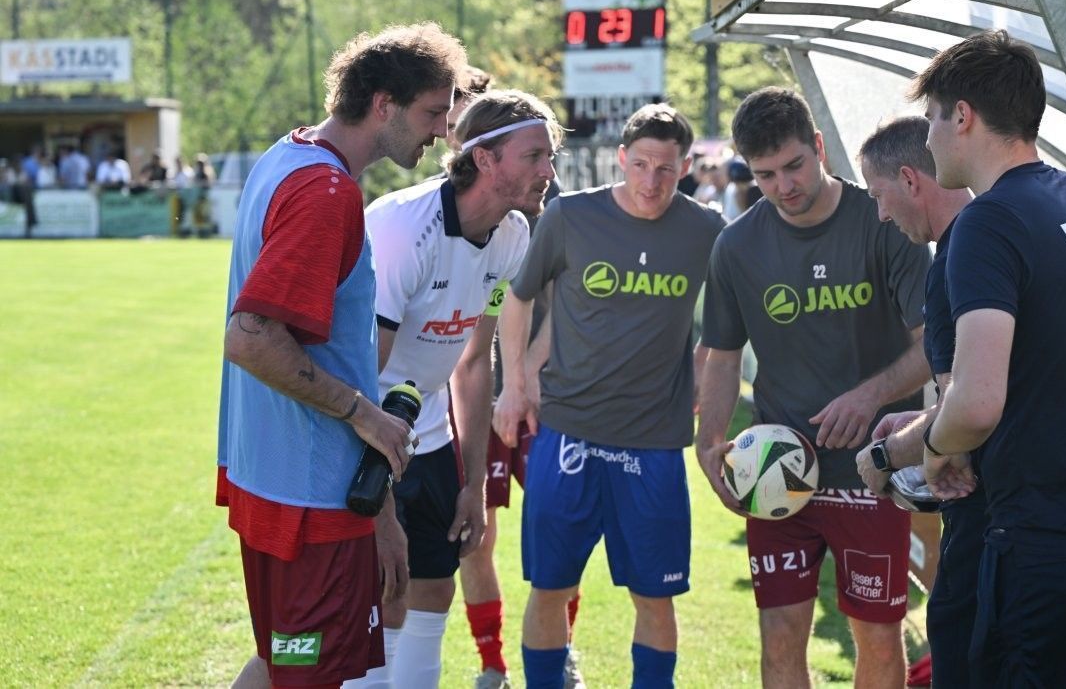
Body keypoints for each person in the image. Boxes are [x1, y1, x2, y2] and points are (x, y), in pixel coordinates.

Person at [913, 29, 1066, 687]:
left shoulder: (986, 223)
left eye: (931, 119)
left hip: (1051, 544)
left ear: (961, 115)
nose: (929, 138)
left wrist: (937, 446)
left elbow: (974, 401)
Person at [217, 22, 467, 688]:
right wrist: (363, 413)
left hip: (283, 485)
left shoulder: (286, 155)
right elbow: (251, 334)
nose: (442, 131)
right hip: (311, 507)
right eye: (432, 112)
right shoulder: (327, 194)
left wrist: (381, 510)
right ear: (383, 103)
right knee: (307, 674)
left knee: (284, 665)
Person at [697, 87, 933, 689]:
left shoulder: (884, 221)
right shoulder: (737, 245)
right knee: (778, 634)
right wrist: (709, 438)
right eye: (766, 174)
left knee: (878, 635)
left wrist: (870, 396)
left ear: (819, 147)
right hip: (778, 468)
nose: (783, 186)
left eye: (795, 165)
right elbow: (722, 357)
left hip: (873, 470)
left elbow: (935, 343)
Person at [495, 103, 723, 689]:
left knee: (656, 595)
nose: (651, 182)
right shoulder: (570, 216)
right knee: (549, 586)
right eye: (641, 165)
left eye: (666, 170)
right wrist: (515, 387)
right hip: (568, 434)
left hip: (654, 445)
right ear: (621, 158)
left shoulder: (705, 230)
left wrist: (703, 371)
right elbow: (518, 299)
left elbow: (733, 320)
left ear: (687, 165)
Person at [348, 89, 563, 689]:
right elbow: (362, 379)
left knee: (434, 591)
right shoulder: (402, 229)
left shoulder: (513, 235)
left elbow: (474, 360)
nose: (549, 170)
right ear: (486, 160)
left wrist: (473, 484)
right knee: (380, 601)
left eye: (549, 156)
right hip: (363, 435)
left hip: (432, 434)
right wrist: (380, 506)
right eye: (535, 156)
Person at [846, 117, 975, 689]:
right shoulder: (1060, 203)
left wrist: (890, 456)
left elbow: (972, 404)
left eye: (877, 195)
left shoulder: (967, 253)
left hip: (1011, 519)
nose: (879, 214)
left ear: (909, 178)